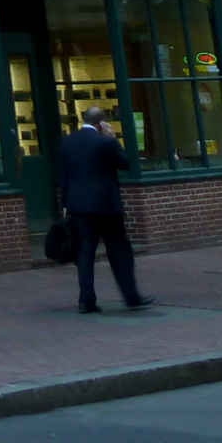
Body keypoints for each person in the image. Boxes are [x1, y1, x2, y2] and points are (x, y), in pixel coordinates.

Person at [57, 105, 153, 314]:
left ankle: (86, 300)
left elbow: (63, 176)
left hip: (79, 207)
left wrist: (65, 204)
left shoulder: (68, 142)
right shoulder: (106, 142)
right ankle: (131, 297)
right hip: (106, 206)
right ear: (101, 124)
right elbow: (127, 163)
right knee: (119, 251)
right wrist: (113, 138)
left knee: (85, 253)